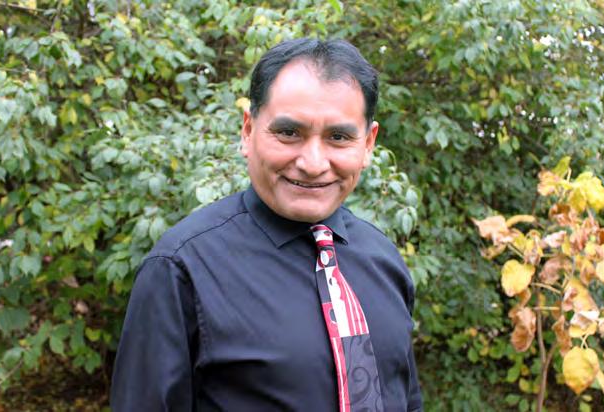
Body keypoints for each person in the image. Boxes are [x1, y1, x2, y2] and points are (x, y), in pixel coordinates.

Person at [110, 38, 422, 412]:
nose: (313, 163)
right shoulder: (180, 270)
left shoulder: (384, 260)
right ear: (248, 131)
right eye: (289, 132)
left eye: (338, 137)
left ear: (368, 144)